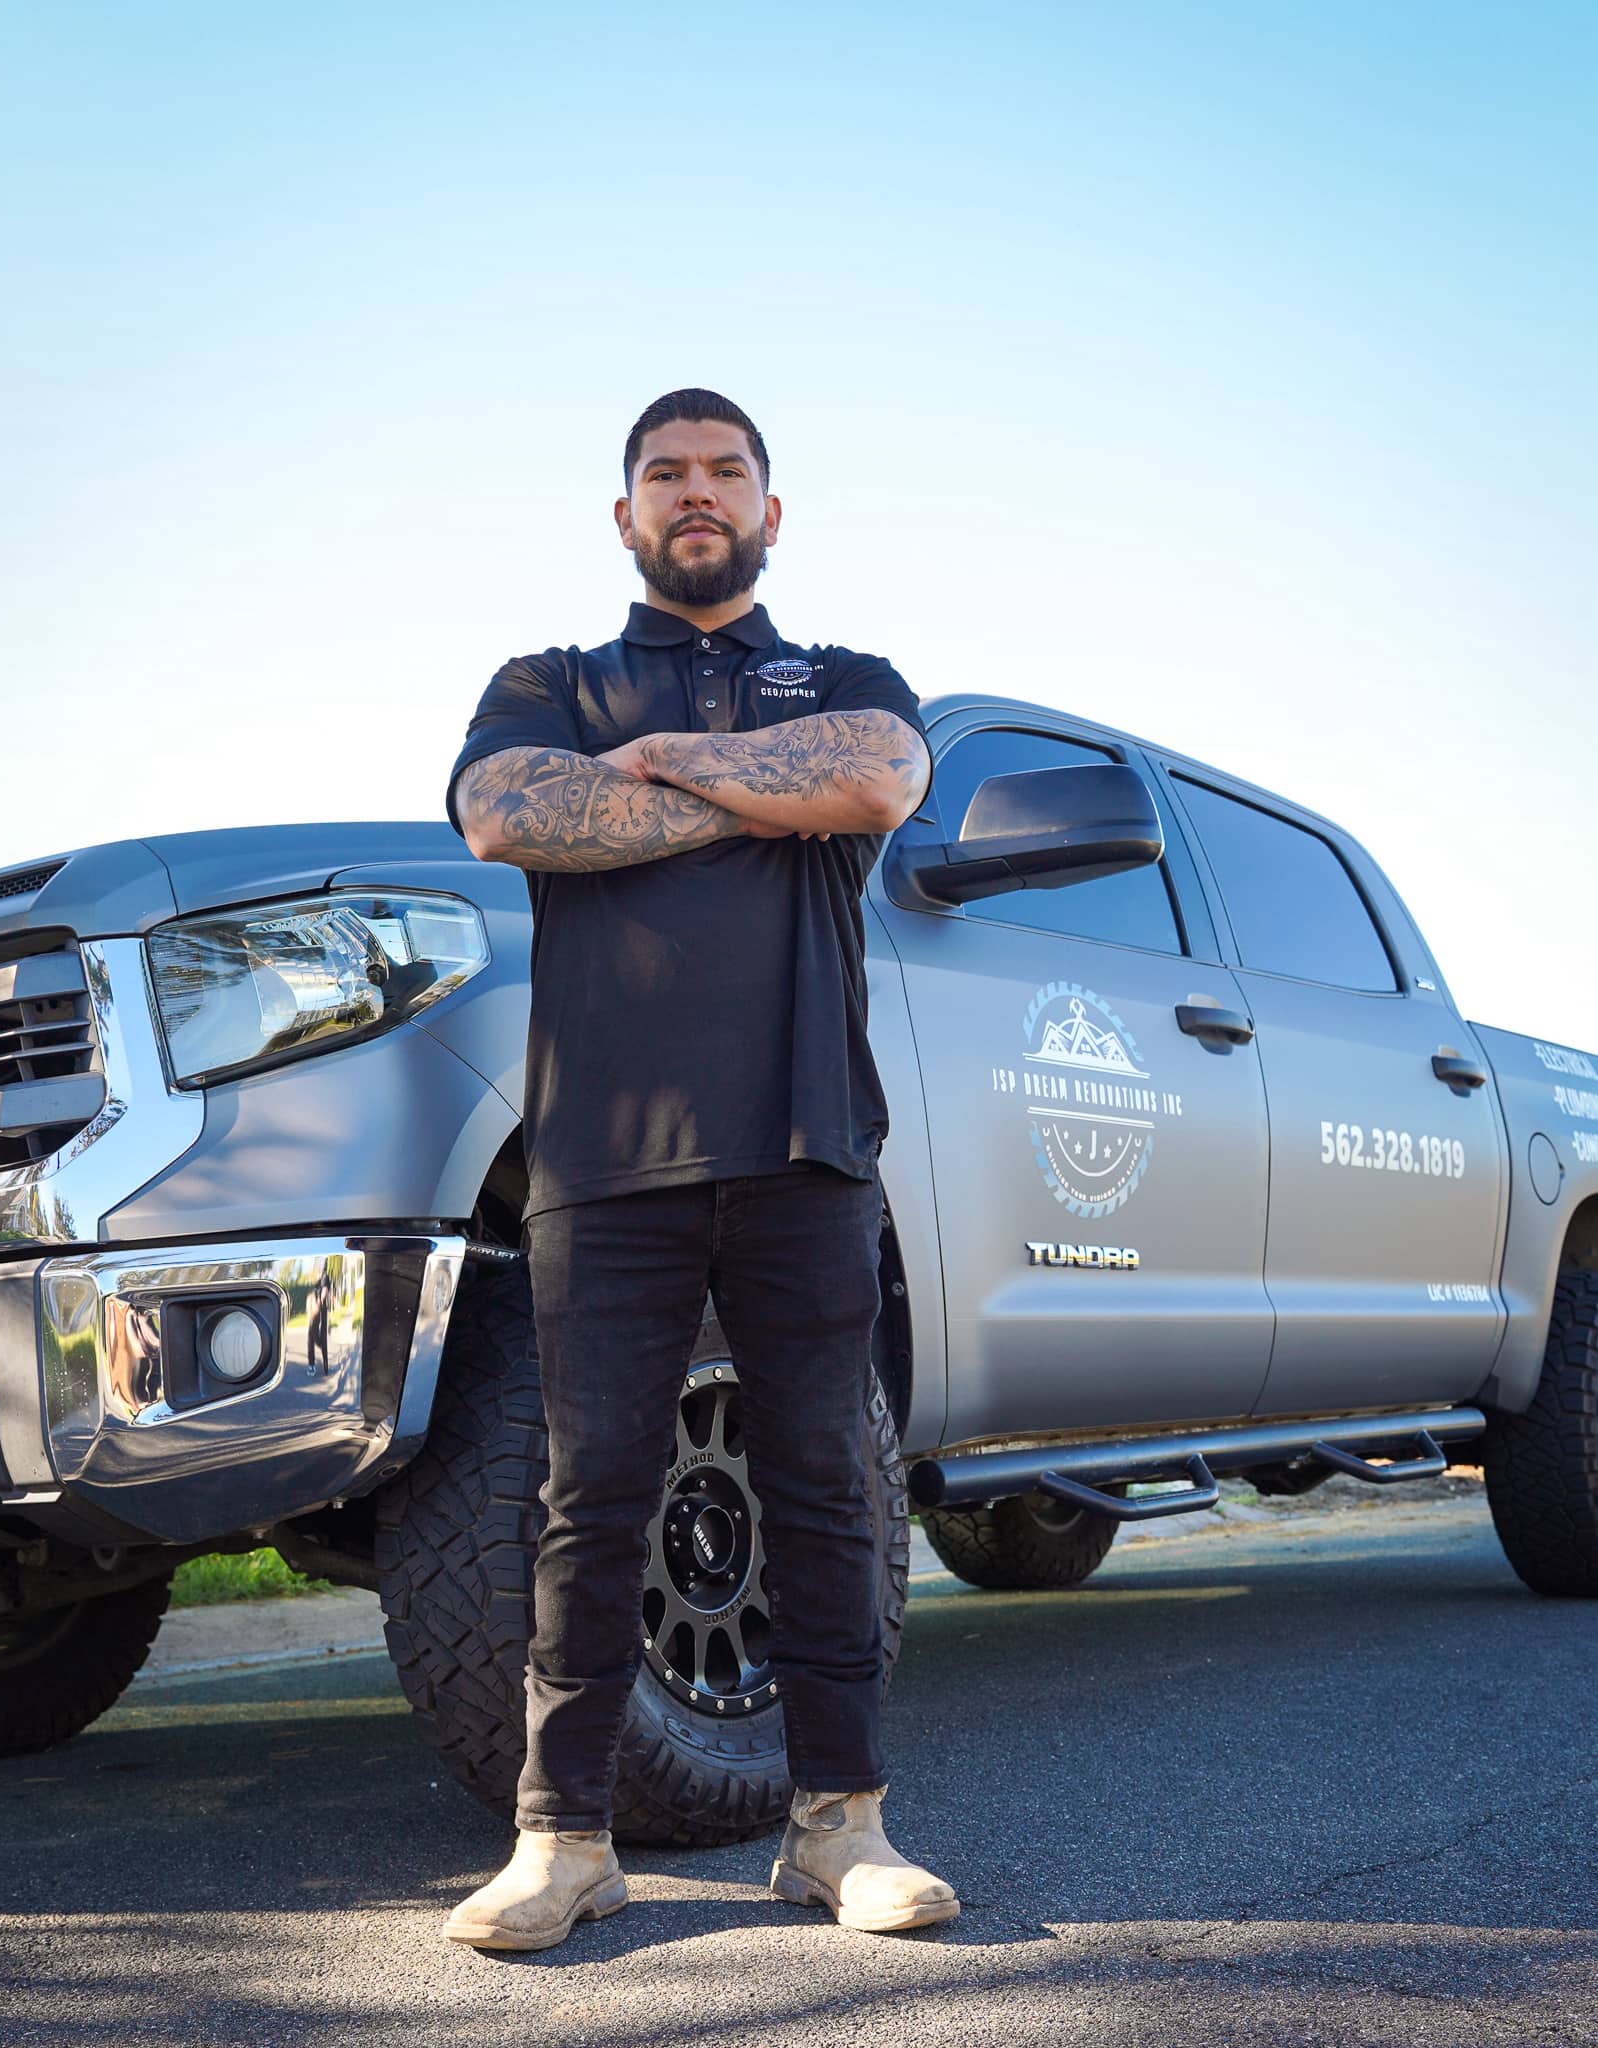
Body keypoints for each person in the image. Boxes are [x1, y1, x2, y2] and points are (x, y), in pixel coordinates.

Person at [440, 388, 956, 1951]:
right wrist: (739, 785)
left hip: (807, 1140)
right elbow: (498, 812)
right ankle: (565, 1841)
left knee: (819, 1485)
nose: (695, 492)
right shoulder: (546, 680)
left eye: (725, 470)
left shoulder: (848, 678)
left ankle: (836, 1832)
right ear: (625, 516)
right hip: (601, 1156)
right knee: (586, 1497)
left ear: (769, 511)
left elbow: (873, 777)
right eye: (664, 473)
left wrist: (645, 779)